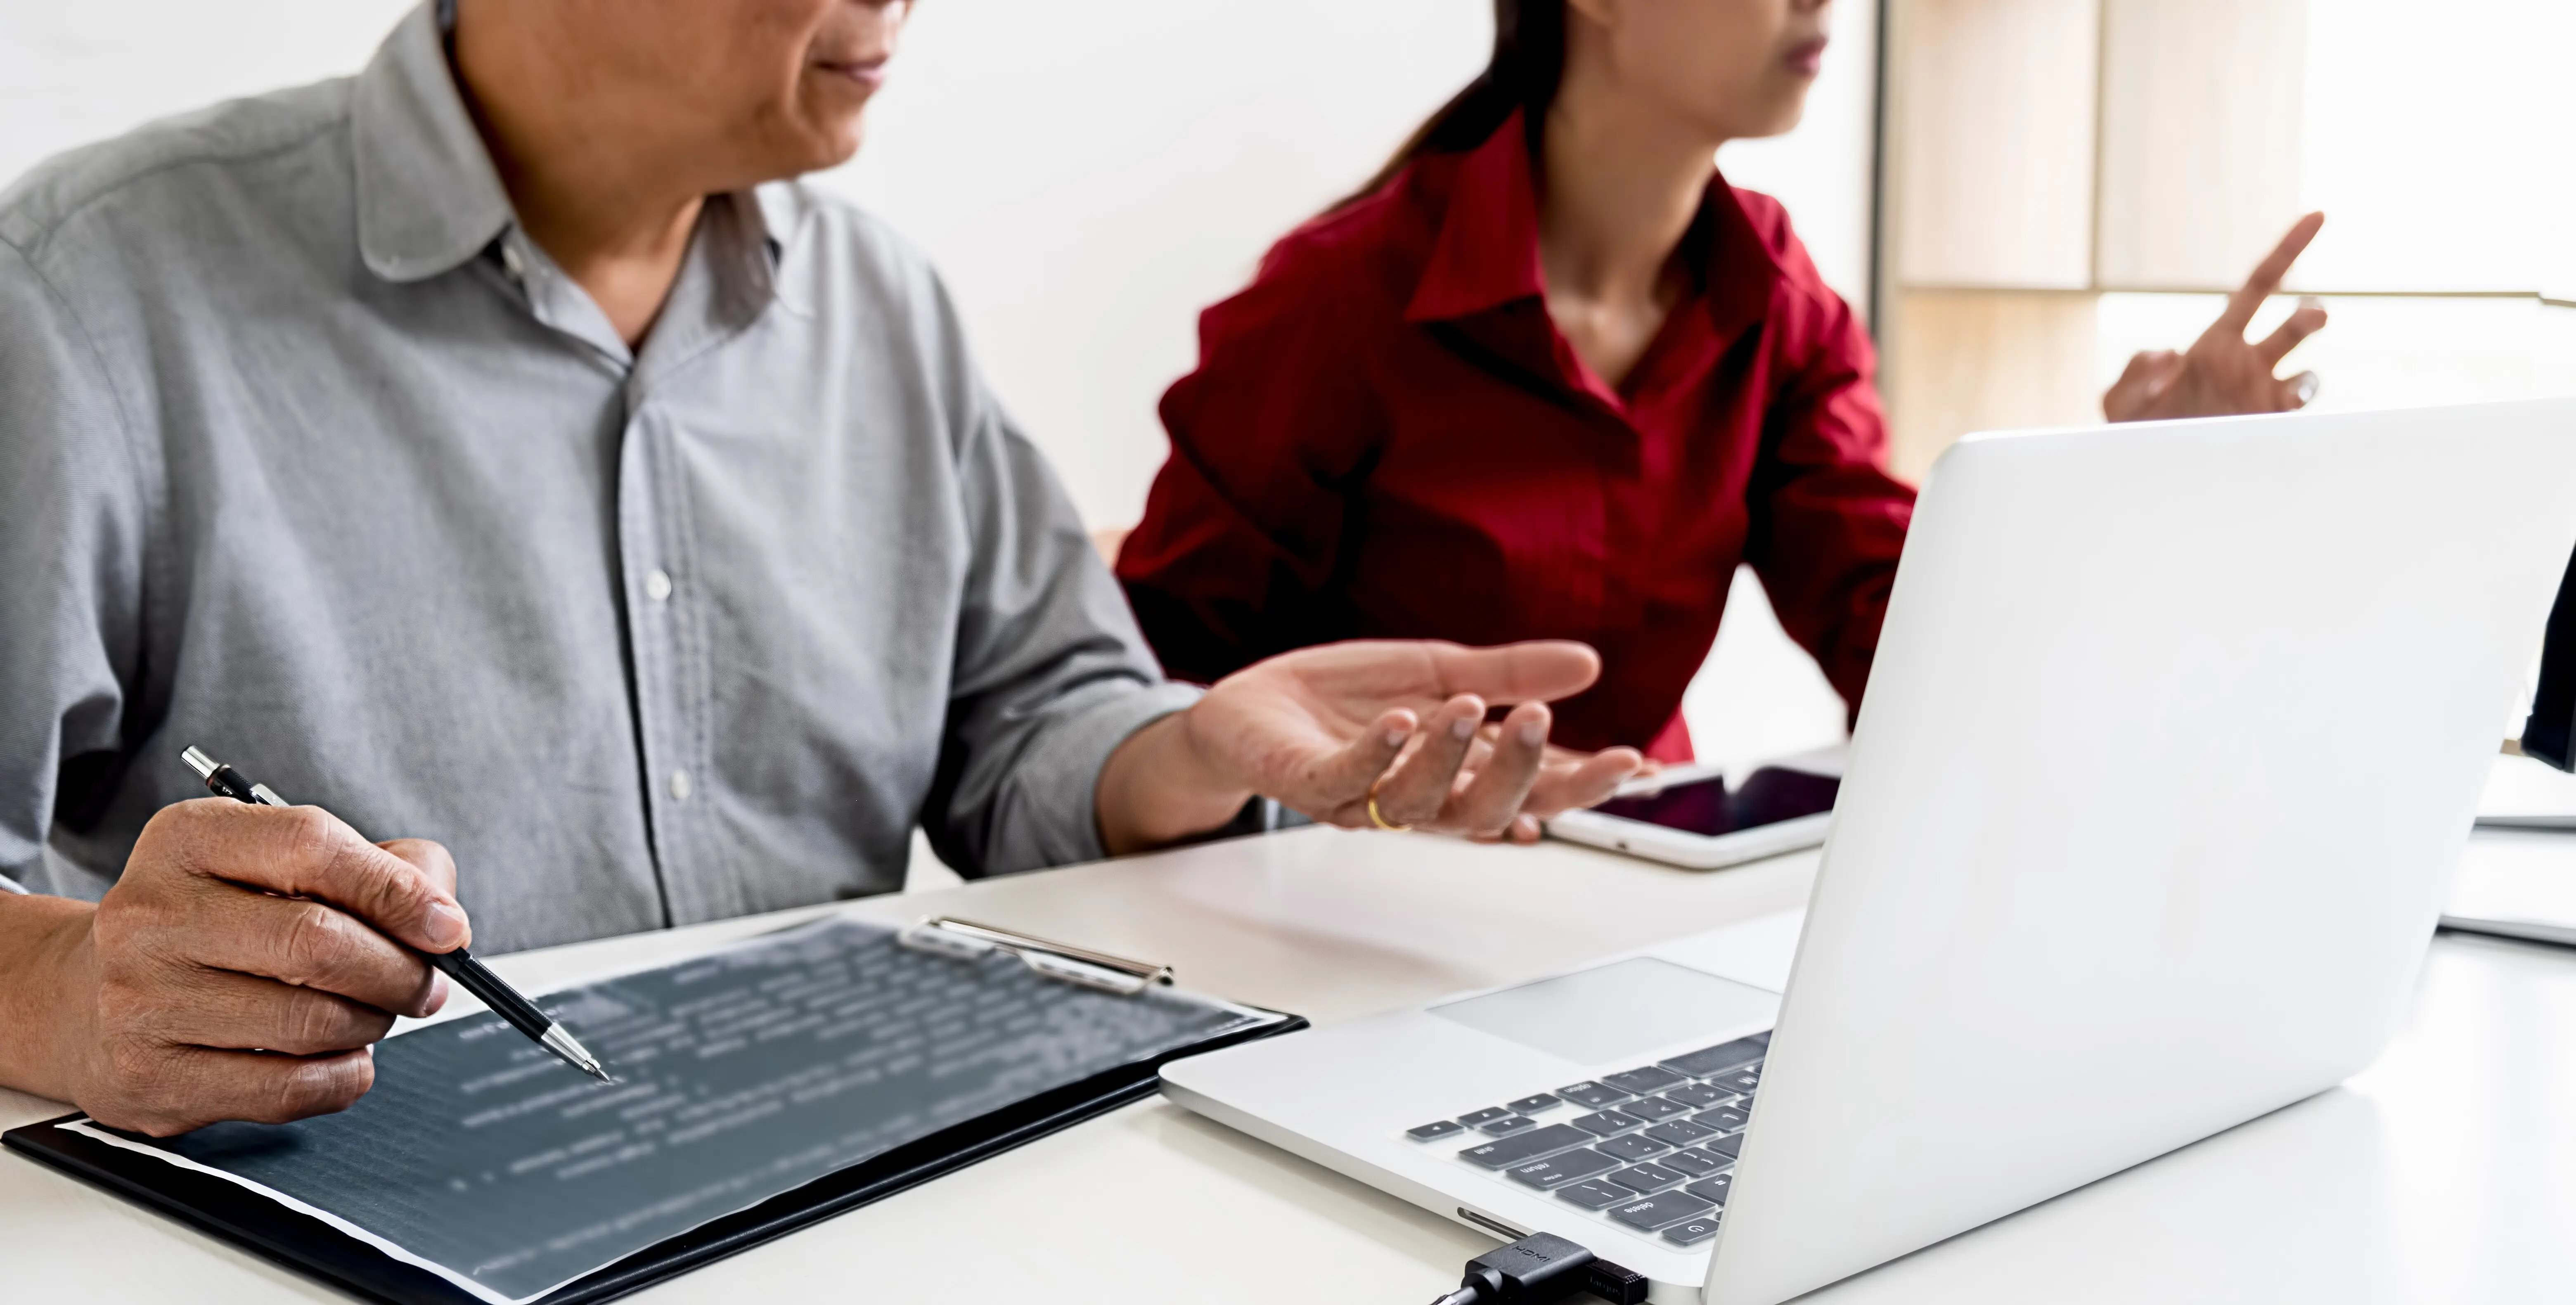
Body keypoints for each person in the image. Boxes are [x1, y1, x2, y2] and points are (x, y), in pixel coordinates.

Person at [0, 0, 1648, 1137]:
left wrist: (1189, 751)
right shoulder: (88, 289)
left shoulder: (885, 307)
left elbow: (1029, 731)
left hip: (851, 1185)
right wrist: (78, 994)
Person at [1116, 0, 2328, 813]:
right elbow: (1142, 708)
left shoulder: (1783, 305)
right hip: (1329, 927)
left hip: (1632, 899)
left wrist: (2141, 487)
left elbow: (1915, 649)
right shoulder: (1342, 300)